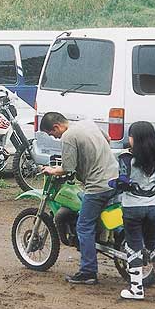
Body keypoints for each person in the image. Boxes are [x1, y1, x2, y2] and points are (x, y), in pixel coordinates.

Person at [40, 112, 118, 285]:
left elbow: (67, 168)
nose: (54, 137)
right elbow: (108, 139)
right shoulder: (87, 123)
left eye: (52, 134)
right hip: (115, 178)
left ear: (56, 127)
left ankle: (88, 272)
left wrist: (52, 170)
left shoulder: (68, 136)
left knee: (84, 226)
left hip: (98, 186)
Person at [109, 121, 155, 299]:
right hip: (153, 207)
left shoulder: (126, 157)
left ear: (134, 138)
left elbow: (122, 181)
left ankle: (136, 289)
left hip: (132, 208)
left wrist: (112, 183)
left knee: (134, 246)